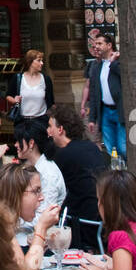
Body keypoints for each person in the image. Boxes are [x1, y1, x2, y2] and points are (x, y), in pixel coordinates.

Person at [46, 103, 107, 248]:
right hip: (102, 221)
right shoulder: (91, 147)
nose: (48, 131)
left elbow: (52, 192)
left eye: (50, 127)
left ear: (60, 129)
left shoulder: (63, 155)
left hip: (82, 226)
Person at [0, 162, 59, 270]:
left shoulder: (2, 223)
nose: (42, 197)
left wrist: (36, 246)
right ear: (15, 194)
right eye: (36, 191)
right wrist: (41, 230)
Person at [86, 33, 126, 160]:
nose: (96, 46)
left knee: (122, 147)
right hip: (105, 111)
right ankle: (115, 174)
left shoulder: (119, 61)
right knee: (110, 147)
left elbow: (124, 78)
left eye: (99, 44)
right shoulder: (97, 66)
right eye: (95, 44)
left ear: (109, 45)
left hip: (120, 110)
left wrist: (113, 63)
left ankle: (126, 172)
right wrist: (92, 118)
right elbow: (93, 93)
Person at [13, 126, 66, 221]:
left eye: (19, 141)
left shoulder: (48, 173)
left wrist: (11, 221)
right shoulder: (34, 166)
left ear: (31, 143)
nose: (15, 145)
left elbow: (45, 216)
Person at [5, 49, 54, 148]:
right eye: (39, 60)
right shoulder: (18, 78)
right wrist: (14, 100)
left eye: (42, 60)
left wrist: (51, 122)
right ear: (31, 62)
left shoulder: (46, 79)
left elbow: (51, 102)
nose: (42, 63)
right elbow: (8, 96)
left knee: (40, 149)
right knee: (23, 148)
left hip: (40, 121)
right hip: (22, 121)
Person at [79, 29, 104, 121]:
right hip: (93, 103)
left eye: (97, 46)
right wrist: (82, 105)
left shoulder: (110, 64)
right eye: (93, 47)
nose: (95, 50)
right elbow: (87, 86)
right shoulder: (91, 64)